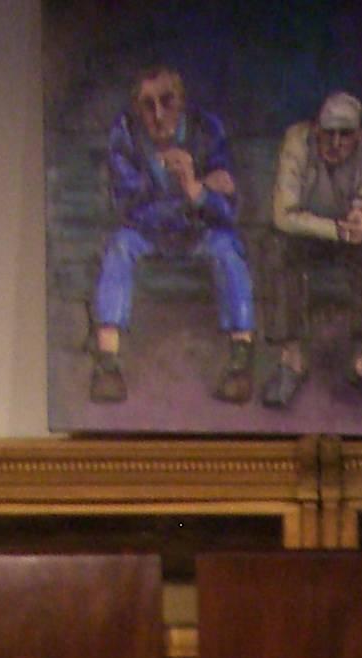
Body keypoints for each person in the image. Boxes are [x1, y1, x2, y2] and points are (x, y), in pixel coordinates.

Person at [91, 65, 255, 404]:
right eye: (147, 105)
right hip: (149, 233)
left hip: (200, 233)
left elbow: (228, 210)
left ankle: (240, 365)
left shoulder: (207, 130)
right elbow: (128, 207)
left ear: (181, 101)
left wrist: (196, 189)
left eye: (167, 102)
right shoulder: (125, 134)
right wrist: (192, 196)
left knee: (228, 249)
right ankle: (108, 366)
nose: (158, 114)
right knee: (119, 247)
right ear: (137, 109)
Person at [258, 91, 362, 410]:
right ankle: (291, 361)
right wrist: (337, 230)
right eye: (328, 133)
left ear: (361, 134)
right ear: (315, 129)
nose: (336, 142)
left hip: (350, 242)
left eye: (346, 134)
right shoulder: (296, 142)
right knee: (274, 246)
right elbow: (283, 214)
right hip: (305, 236)